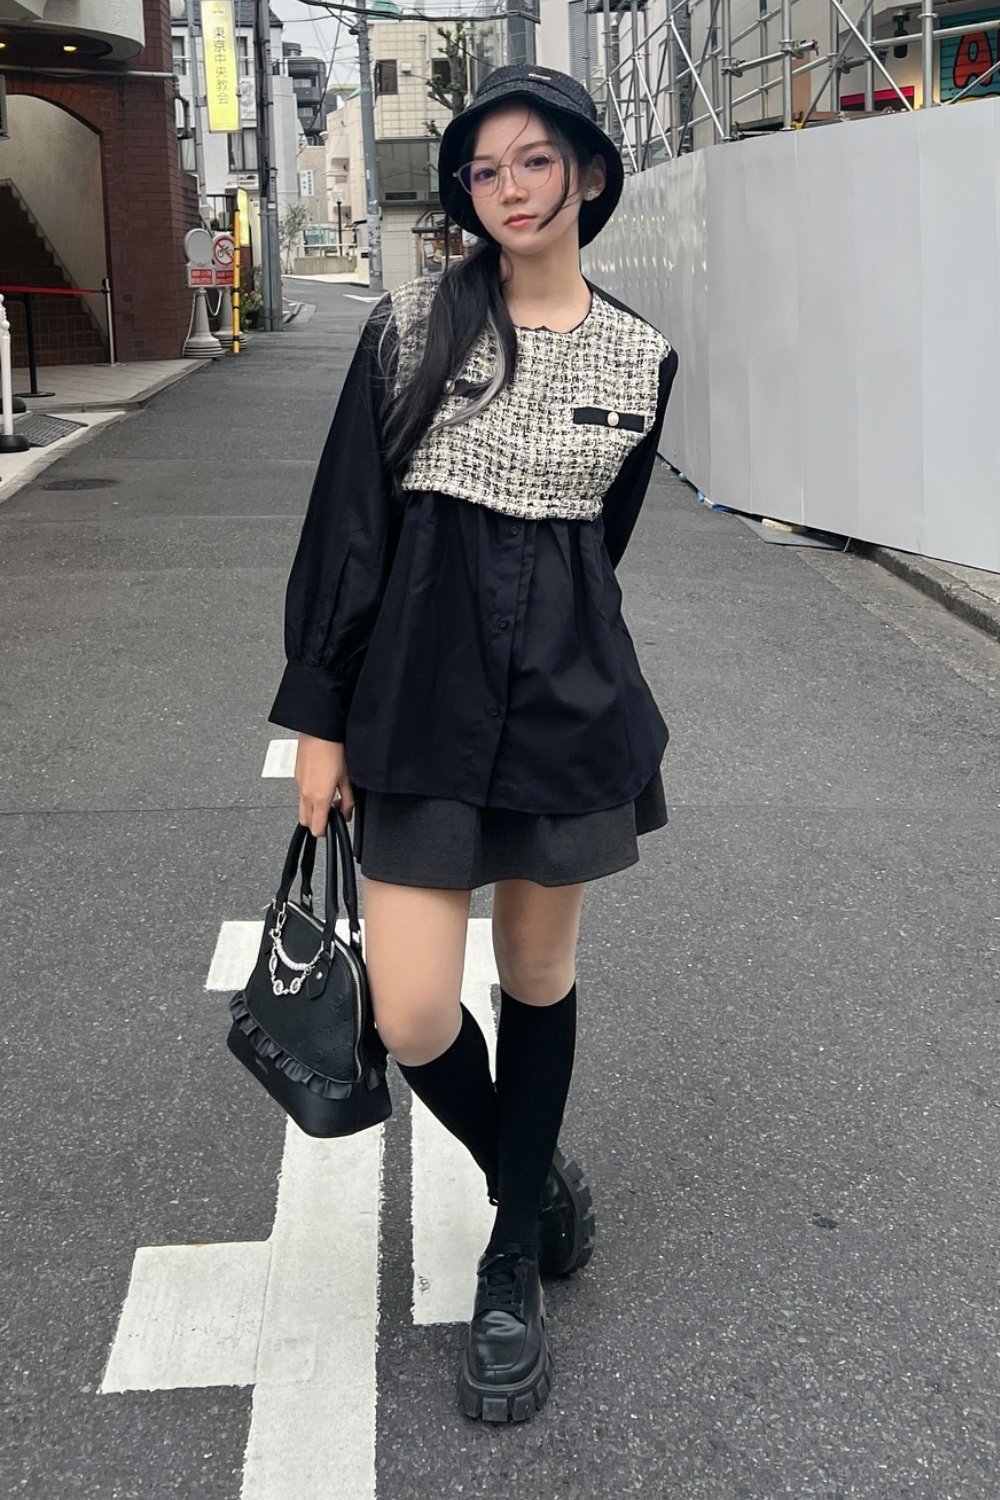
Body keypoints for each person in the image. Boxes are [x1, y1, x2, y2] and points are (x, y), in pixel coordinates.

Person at [268, 63, 679, 1424]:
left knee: (540, 976)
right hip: (420, 702)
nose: (506, 190)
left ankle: (510, 1264)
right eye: (484, 169)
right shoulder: (410, 330)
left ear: (590, 176)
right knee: (414, 1009)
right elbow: (350, 531)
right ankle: (533, 1165)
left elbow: (595, 550)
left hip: (567, 704)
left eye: (533, 163)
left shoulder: (640, 357)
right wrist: (319, 718)